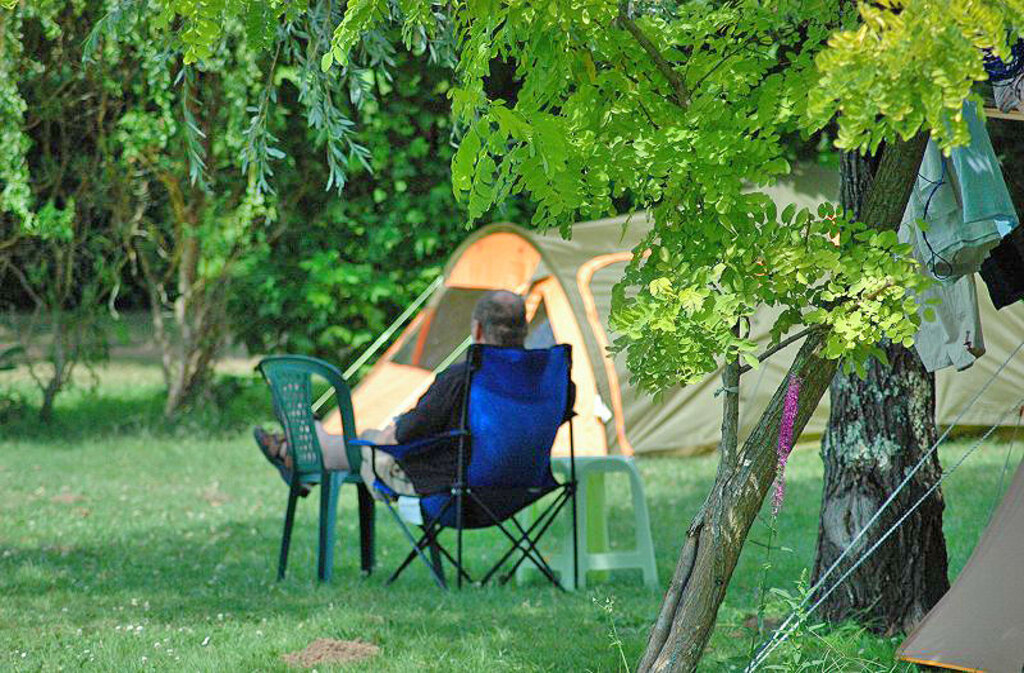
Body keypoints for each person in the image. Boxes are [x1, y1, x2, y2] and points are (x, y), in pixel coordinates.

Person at [254, 290, 576, 500]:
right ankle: (300, 448)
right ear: (525, 330)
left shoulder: (465, 376)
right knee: (371, 440)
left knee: (370, 442)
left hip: (453, 491)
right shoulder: (553, 378)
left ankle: (300, 445)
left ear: (477, 329)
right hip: (523, 488)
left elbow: (411, 430)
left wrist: (395, 430)